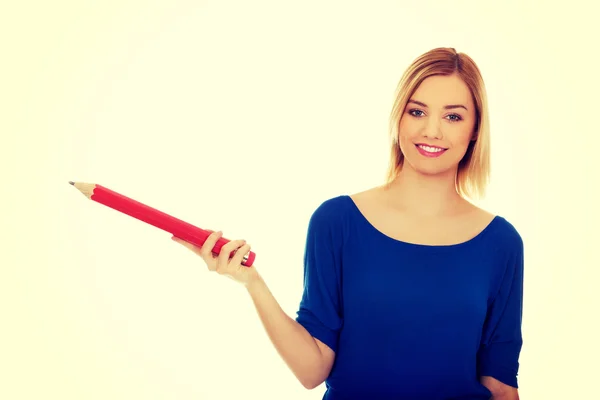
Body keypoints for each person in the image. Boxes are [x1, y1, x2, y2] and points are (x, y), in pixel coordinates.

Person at [172, 47, 524, 400]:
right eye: (417, 111)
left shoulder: (501, 243)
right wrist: (252, 282)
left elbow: (501, 387)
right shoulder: (337, 222)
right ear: (398, 118)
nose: (431, 130)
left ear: (476, 129)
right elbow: (313, 370)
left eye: (453, 117)